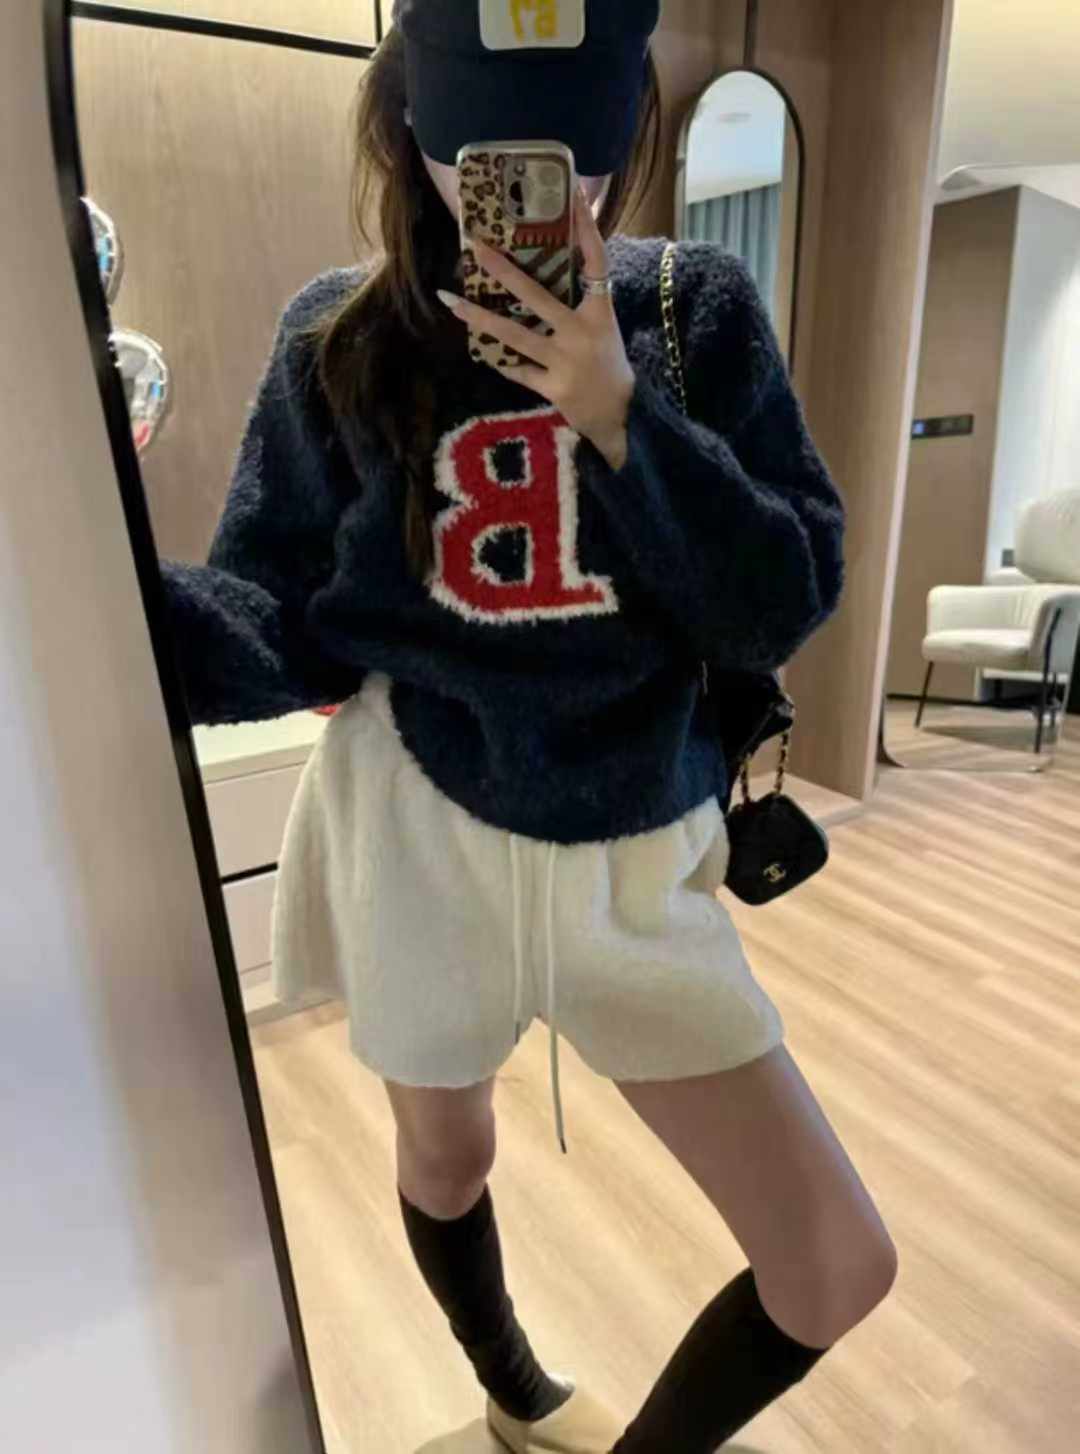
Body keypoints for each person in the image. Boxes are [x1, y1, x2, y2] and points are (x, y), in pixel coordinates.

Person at [162, 2, 897, 1450]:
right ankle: (515, 1395)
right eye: (489, 149)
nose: (537, 187)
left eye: (575, 149)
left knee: (835, 1264)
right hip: (417, 832)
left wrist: (621, 416)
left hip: (632, 856)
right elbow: (279, 622)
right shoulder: (337, 338)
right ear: (414, 126)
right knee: (445, 1160)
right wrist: (101, 599)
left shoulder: (693, 317)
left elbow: (778, 598)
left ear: (630, 123)